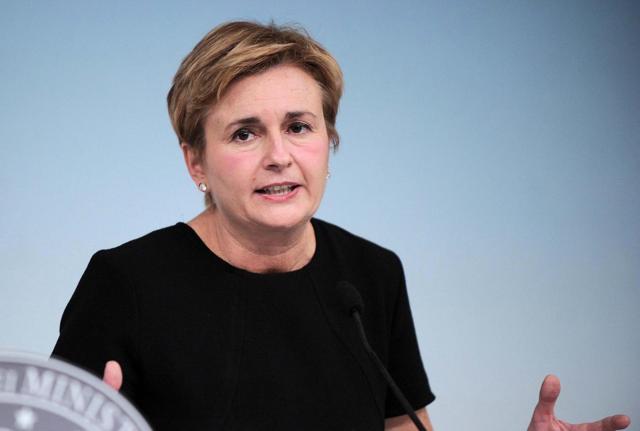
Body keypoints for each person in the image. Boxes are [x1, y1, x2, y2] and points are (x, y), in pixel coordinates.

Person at [52, 21, 631, 431]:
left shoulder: (371, 275)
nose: (279, 156)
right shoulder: (125, 283)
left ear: (328, 142)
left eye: (299, 126)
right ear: (195, 162)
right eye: (245, 133)